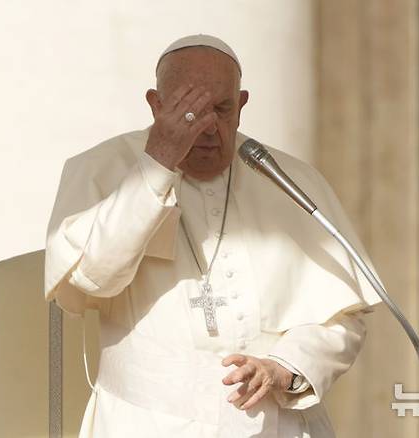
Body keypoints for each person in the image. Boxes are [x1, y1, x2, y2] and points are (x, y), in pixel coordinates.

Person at [44, 34, 382, 438]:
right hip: (145, 425)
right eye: (189, 111)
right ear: (156, 105)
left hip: (276, 427)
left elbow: (341, 314)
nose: (207, 128)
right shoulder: (102, 169)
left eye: (221, 109)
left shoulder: (288, 179)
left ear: (241, 106)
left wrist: (285, 367)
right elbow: (91, 278)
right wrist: (157, 165)